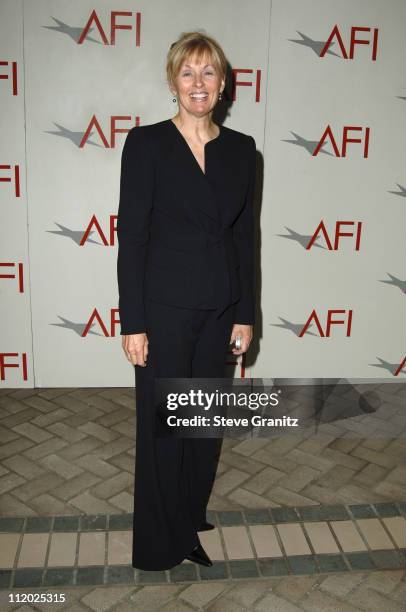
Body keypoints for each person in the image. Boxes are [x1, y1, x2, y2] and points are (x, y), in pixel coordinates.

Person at [116, 31, 257, 571]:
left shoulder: (241, 150)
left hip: (220, 306)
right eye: (188, 73)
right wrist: (134, 321)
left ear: (223, 84)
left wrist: (246, 312)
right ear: (173, 82)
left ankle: (188, 518)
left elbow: (245, 238)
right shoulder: (146, 144)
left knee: (201, 427)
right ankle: (159, 542)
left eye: (209, 73)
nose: (199, 83)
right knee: (163, 432)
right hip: (165, 310)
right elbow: (134, 236)